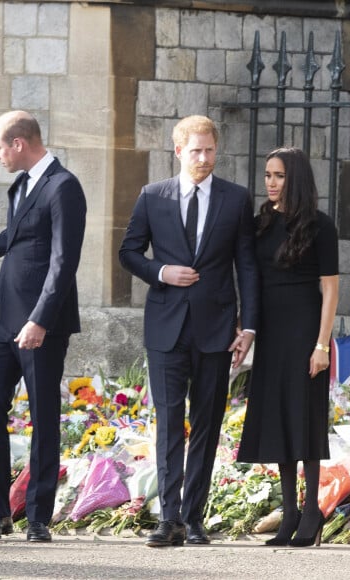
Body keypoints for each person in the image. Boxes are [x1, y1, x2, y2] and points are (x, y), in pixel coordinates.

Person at [119, 115, 259, 547]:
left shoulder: (236, 200)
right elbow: (129, 252)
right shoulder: (152, 196)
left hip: (217, 329)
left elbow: (248, 267)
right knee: (168, 422)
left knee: (206, 423)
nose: (203, 158)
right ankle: (170, 517)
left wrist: (249, 326)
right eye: (195, 150)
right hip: (166, 328)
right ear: (178, 151)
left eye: (210, 150)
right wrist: (161, 271)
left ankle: (195, 518)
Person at [0, 110, 86, 543]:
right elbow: (21, 238)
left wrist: (40, 319)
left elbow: (62, 261)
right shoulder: (21, 185)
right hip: (2, 321)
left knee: (43, 416)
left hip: (39, 324)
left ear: (18, 143)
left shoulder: (64, 186)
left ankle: (38, 516)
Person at [237, 147, 339, 547]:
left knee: (305, 417)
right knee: (279, 417)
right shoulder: (261, 223)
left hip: (304, 331)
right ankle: (291, 513)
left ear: (294, 178)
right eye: (267, 175)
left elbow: (330, 289)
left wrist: (321, 345)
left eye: (278, 175)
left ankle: (312, 511)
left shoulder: (320, 226)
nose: (270, 182)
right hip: (272, 333)